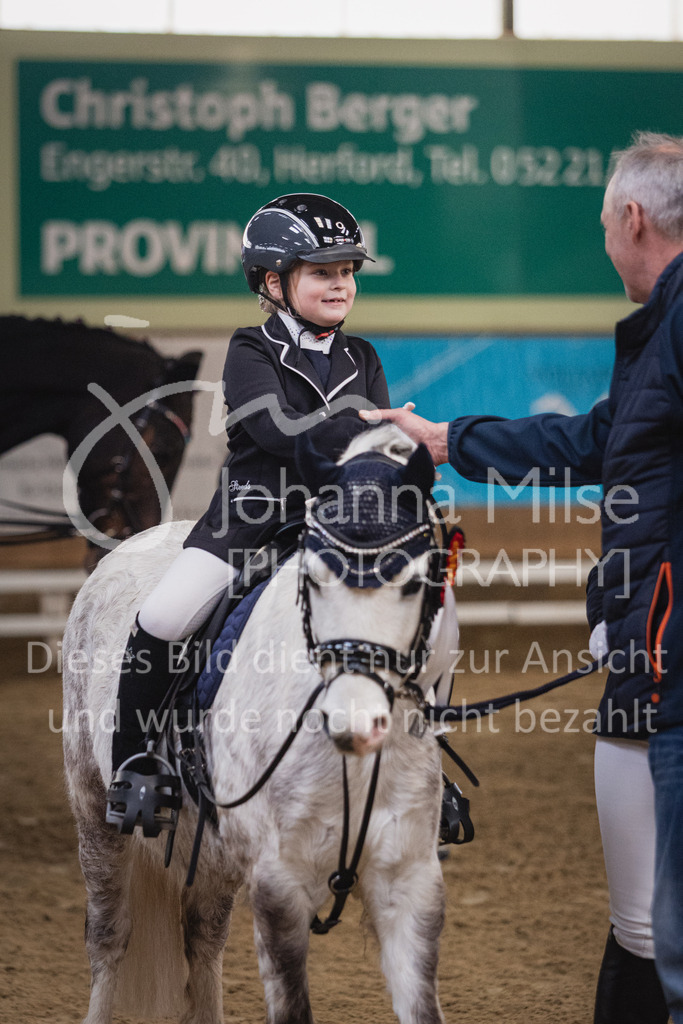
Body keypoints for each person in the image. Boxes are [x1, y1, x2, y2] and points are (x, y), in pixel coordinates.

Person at [361, 131, 683, 1023]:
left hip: (666, 672)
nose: (603, 240)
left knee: (661, 935)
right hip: (647, 661)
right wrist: (449, 440)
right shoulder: (659, 338)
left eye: (602, 223)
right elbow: (588, 441)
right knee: (643, 931)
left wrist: (654, 618)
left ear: (632, 218)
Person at [110, 192, 391, 790]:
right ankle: (133, 762)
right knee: (163, 615)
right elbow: (277, 430)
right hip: (249, 521)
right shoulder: (250, 348)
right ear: (273, 280)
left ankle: (421, 769)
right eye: (323, 272)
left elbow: (377, 442)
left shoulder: (361, 356)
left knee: (409, 614)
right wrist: (366, 426)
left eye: (347, 272)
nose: (341, 284)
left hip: (340, 521)